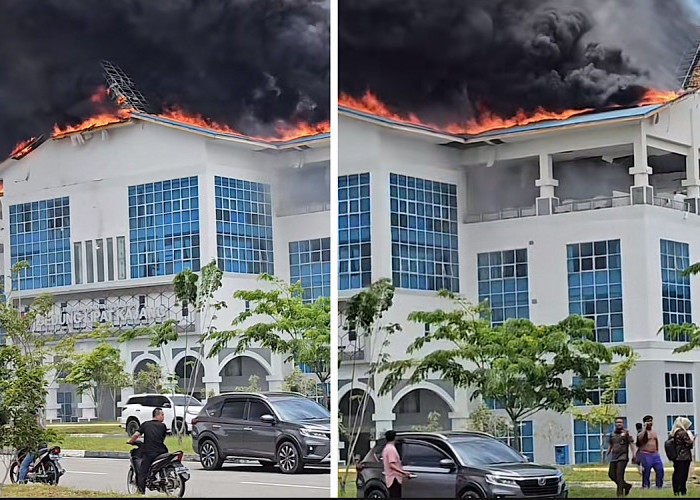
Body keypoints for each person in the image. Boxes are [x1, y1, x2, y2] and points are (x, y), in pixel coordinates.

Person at [127, 407, 168, 494]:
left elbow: (136, 435)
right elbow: (161, 438)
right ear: (157, 415)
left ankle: (141, 492)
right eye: (162, 414)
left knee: (142, 472)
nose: (163, 416)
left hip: (150, 452)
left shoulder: (145, 424)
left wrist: (130, 441)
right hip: (163, 451)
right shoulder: (163, 426)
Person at [18, 410, 47, 484]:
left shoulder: (29, 428)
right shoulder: (40, 426)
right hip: (44, 448)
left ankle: (21, 481)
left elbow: (27, 441)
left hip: (35, 449)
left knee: (24, 465)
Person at [382, 430, 412, 498]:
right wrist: (403, 472)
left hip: (391, 478)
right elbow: (392, 465)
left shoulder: (387, 448)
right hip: (394, 478)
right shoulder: (391, 449)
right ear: (395, 438)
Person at [608, 418, 634, 497]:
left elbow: (631, 443)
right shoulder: (612, 434)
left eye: (620, 422)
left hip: (623, 457)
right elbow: (611, 445)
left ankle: (619, 495)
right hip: (614, 457)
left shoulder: (626, 433)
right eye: (617, 422)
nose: (618, 424)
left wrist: (634, 454)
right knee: (611, 474)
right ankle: (626, 486)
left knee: (619, 475)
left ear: (623, 424)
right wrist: (608, 453)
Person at [637, 415, 664, 489]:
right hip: (646, 454)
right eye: (648, 421)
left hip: (655, 455)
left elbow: (656, 442)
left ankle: (659, 486)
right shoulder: (641, 432)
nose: (650, 423)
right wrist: (645, 428)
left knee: (660, 470)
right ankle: (646, 486)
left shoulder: (654, 432)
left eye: (651, 421)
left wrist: (657, 451)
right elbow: (640, 438)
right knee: (646, 472)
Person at [670, 417, 694, 496]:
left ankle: (676, 491)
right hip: (684, 457)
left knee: (677, 473)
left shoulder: (674, 432)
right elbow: (689, 444)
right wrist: (692, 439)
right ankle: (682, 490)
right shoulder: (683, 433)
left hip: (677, 456)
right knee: (683, 475)